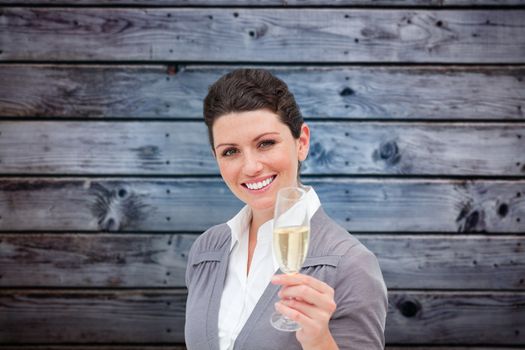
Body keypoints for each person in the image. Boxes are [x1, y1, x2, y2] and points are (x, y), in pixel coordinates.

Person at [185, 68, 388, 350]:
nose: (251, 167)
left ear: (301, 142)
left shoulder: (351, 264)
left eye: (266, 143)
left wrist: (319, 341)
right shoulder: (205, 251)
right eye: (230, 151)